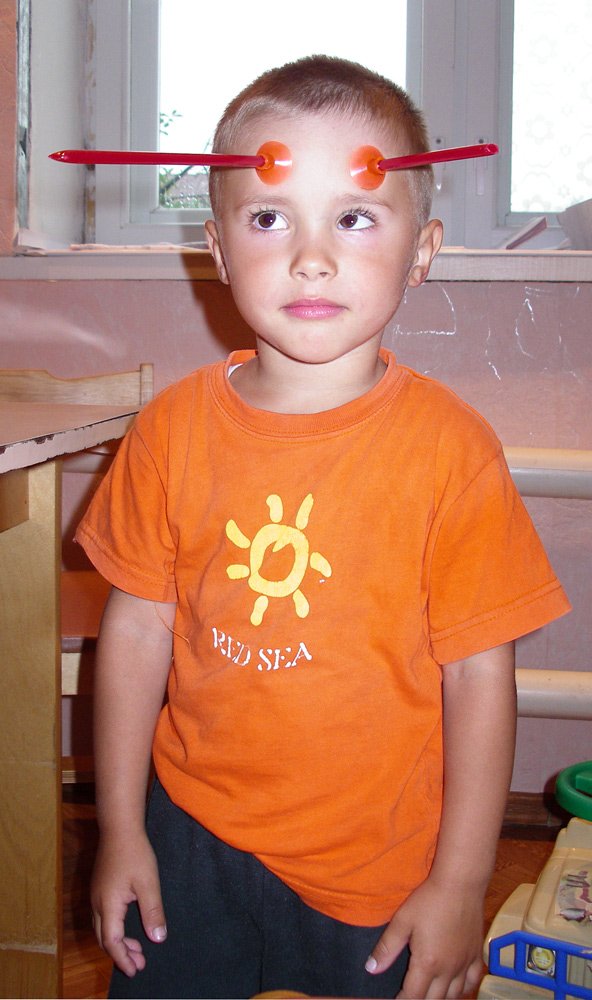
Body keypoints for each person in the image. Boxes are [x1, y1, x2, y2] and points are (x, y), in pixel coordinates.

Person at [78, 55, 570, 999]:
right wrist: (121, 828)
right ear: (218, 250)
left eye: (355, 217)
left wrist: (462, 882)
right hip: (188, 831)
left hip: (376, 858)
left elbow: (479, 675)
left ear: (421, 250)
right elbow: (135, 632)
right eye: (269, 218)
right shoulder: (170, 430)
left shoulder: (452, 451)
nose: (311, 255)